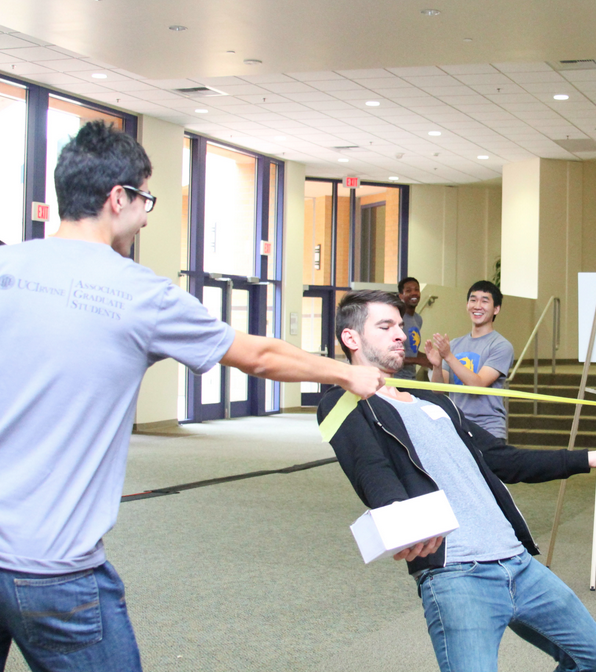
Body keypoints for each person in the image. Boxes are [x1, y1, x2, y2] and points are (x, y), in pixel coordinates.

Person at [0, 121, 385, 672]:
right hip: (55, 571)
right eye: (145, 199)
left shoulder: (7, 267)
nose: (148, 214)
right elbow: (258, 355)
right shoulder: (137, 292)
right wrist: (347, 374)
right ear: (118, 199)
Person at [318, 290, 596, 672]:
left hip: (517, 561)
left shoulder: (429, 396)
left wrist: (594, 458)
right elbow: (370, 469)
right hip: (457, 573)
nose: (400, 334)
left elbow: (500, 458)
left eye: (399, 325)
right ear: (351, 338)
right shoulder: (341, 402)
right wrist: (403, 523)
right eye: (385, 326)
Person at [427, 279, 513, 439]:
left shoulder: (501, 346)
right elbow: (438, 390)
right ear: (467, 305)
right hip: (458, 426)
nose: (477, 306)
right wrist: (437, 366)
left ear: (496, 309)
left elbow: (477, 384)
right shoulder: (454, 344)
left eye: (484, 301)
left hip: (489, 429)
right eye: (473, 300)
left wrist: (449, 357)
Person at [393, 276, 430, 380]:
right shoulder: (396, 318)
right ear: (401, 296)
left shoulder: (418, 319)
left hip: (411, 379)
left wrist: (429, 357)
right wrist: (418, 361)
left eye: (416, 290)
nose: (414, 293)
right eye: (408, 290)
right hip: (395, 380)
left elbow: (411, 350)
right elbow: (391, 354)